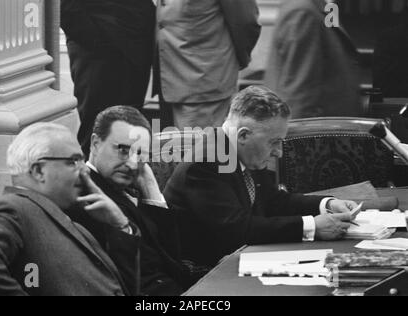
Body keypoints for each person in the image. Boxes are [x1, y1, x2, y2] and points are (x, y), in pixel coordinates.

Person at [164, 86, 357, 267]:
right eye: (273, 142)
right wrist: (312, 226)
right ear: (243, 136)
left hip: (242, 257)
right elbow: (238, 230)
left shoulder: (243, 151)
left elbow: (273, 201)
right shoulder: (206, 162)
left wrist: (326, 204)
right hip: (204, 274)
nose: (279, 152)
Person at [0, 123, 140, 296]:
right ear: (39, 171)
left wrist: (120, 224)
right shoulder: (14, 208)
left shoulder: (72, 221)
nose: (85, 171)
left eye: (82, 161)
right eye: (73, 162)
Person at [85, 106, 194, 296]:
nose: (133, 163)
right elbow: (148, 274)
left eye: (140, 154)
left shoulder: (120, 188)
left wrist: (150, 187)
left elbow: (170, 259)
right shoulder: (90, 196)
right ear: (95, 143)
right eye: (123, 150)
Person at [61, 0, 156, 155]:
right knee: (97, 127)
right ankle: (91, 178)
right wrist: (95, 40)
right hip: (97, 53)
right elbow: (66, 7)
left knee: (130, 128)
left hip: (136, 48)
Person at [154, 0, 261, 130]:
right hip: (167, 77)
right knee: (173, 148)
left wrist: (236, 60)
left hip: (203, 82)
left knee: (201, 148)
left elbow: (246, 22)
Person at [265, 0, 363, 118]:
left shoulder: (317, 7)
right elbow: (298, 97)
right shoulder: (304, 12)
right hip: (318, 130)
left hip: (328, 127)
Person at [373, 5, 408, 98]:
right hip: (394, 97)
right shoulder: (388, 39)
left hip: (391, 97)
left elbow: (379, 81)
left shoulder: (387, 38)